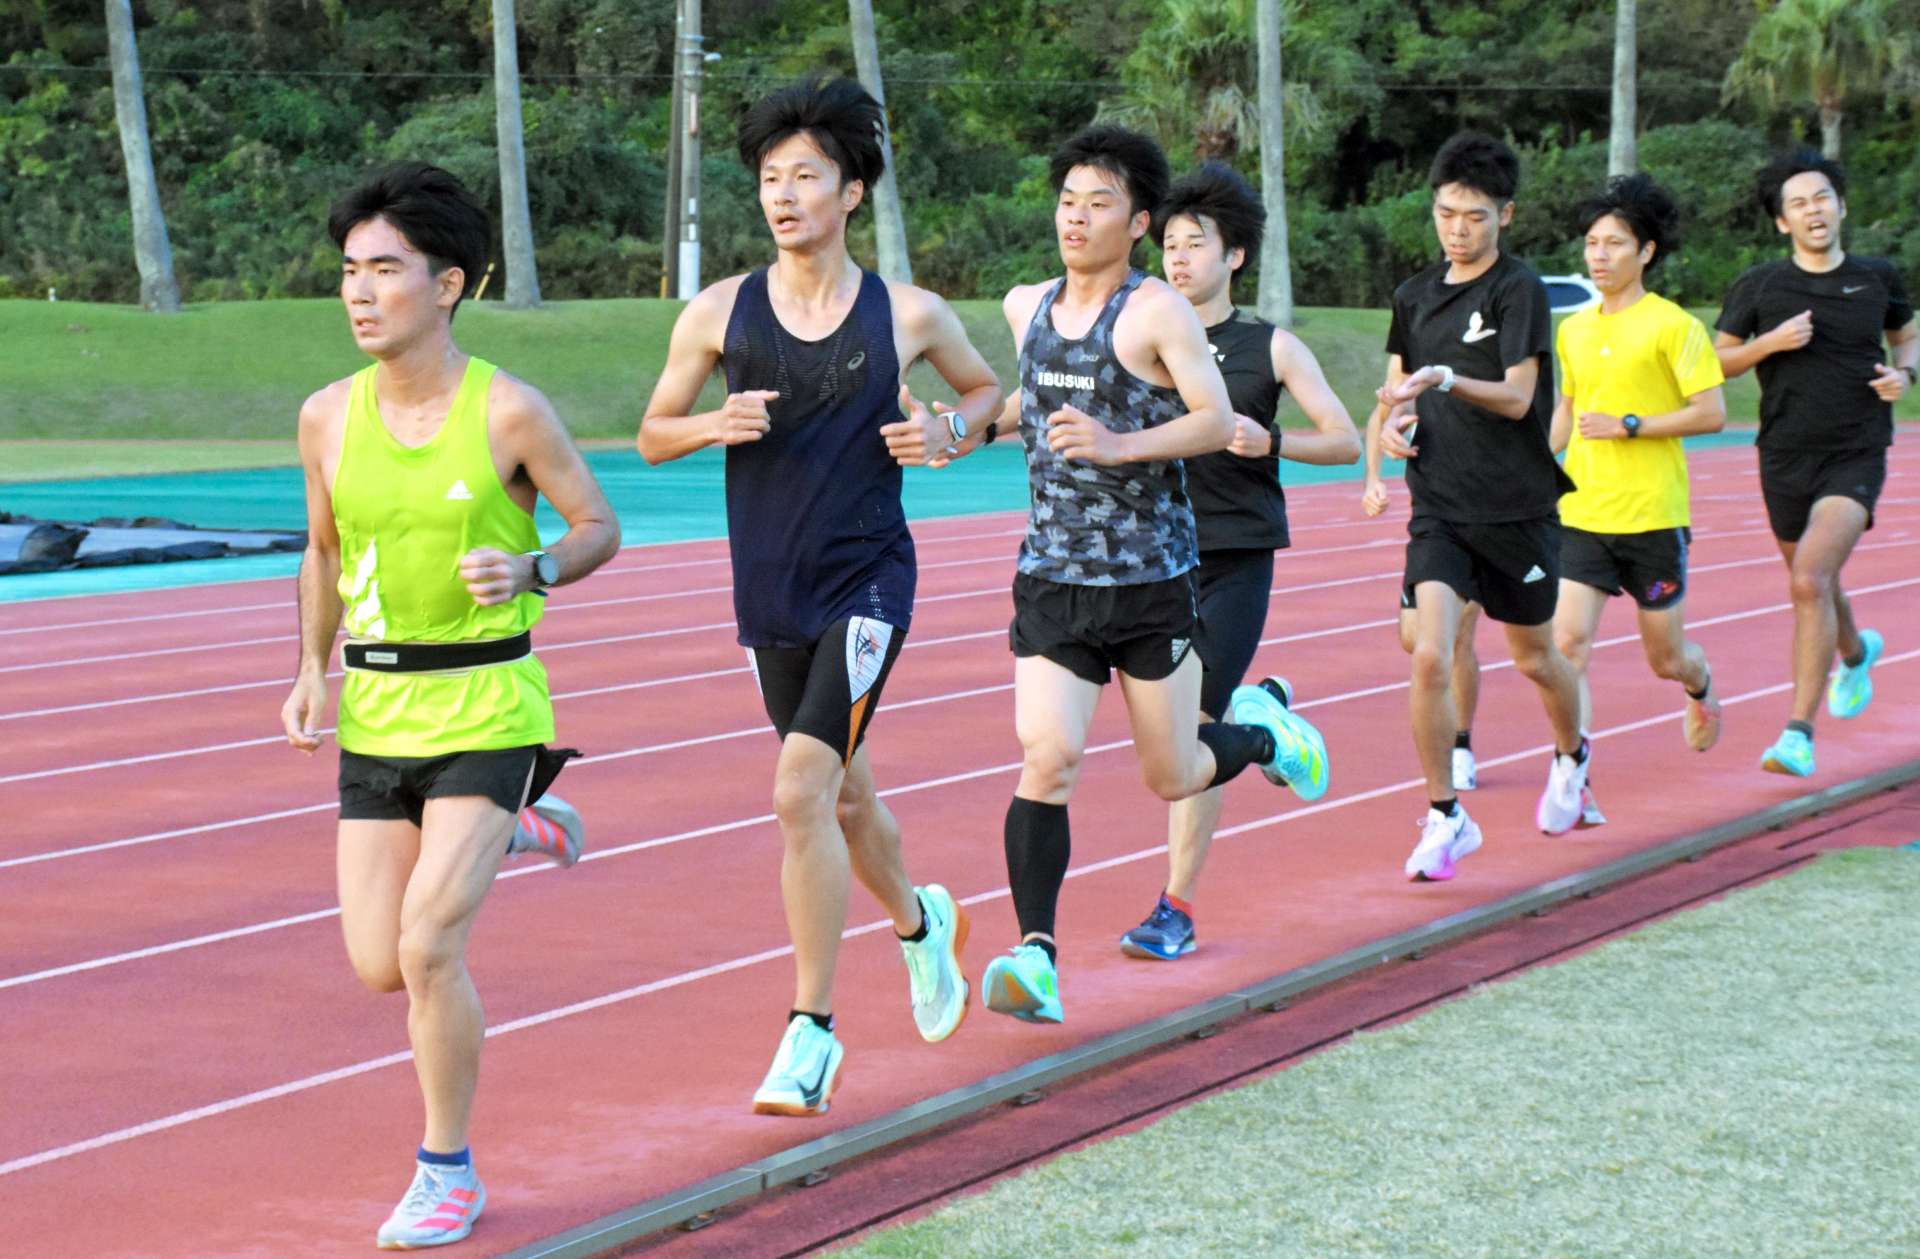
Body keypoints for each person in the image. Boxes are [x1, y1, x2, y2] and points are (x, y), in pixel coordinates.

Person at [638, 77, 1002, 1115]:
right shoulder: (719, 314)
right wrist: (714, 423)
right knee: (846, 794)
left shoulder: (909, 312)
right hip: (771, 591)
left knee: (801, 790)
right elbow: (652, 432)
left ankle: (813, 1031)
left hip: (868, 579)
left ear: (850, 191)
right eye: (769, 178)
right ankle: (924, 921)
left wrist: (946, 433)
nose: (784, 195)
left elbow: (981, 393)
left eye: (806, 176)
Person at [279, 161, 621, 1249]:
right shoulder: (326, 417)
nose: (361, 292)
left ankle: (446, 1167)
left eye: (386, 270)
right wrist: (309, 668)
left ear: (451, 285)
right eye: (349, 271)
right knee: (379, 963)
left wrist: (535, 573)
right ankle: (515, 830)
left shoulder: (509, 408)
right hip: (378, 716)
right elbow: (324, 549)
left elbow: (597, 525)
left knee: (430, 949)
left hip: (487, 705)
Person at [939, 126, 1328, 1019]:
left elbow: (1213, 416)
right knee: (1049, 754)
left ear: (1140, 221)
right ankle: (1037, 955)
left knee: (1174, 772)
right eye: (1068, 199)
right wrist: (961, 434)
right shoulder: (1024, 303)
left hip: (1152, 583)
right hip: (1051, 579)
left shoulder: (1158, 312)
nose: (1076, 217)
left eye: (1099, 202)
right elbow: (1025, 398)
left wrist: (1118, 445)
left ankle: (1266, 735)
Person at [1118, 161, 1358, 961]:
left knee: (1192, 728)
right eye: (1171, 246)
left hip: (1235, 557)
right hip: (1155, 560)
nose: (1178, 260)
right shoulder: (1143, 336)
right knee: (1165, 740)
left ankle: (1174, 908)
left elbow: (1346, 438)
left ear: (1235, 257)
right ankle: (1264, 720)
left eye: (1196, 245)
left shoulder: (1272, 347)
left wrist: (1275, 440)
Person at [1374, 131, 1588, 881]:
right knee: (1430, 653)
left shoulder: (1518, 290)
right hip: (1439, 506)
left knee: (1536, 657)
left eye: (1473, 216)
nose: (1456, 229)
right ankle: (1444, 815)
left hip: (1518, 508)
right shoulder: (1412, 295)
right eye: (1445, 214)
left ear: (1506, 215)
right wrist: (1391, 435)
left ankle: (1573, 752)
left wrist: (1446, 380)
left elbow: (1519, 396)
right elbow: (1395, 392)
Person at [1712, 149, 1917, 777]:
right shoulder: (1760, 286)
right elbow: (1715, 362)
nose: (1813, 210)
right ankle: (1855, 652)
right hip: (1783, 454)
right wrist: (1770, 343)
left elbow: (1906, 334)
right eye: (1798, 203)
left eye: (1822, 197)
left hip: (1855, 451)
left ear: (1841, 205)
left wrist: (1902, 373)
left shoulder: (1877, 276)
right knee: (1814, 582)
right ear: (1782, 222)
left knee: (1807, 581)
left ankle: (1797, 733)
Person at [1550, 173, 1728, 814]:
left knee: (1665, 657)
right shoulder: (1571, 330)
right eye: (1592, 243)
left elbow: (1711, 413)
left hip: (1654, 516)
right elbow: (1566, 414)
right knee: (1567, 643)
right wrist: (1536, 468)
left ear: (1645, 252)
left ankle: (1700, 683)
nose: (1599, 255)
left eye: (1615, 243)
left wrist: (1632, 426)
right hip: (1583, 511)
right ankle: (1574, 773)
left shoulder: (1673, 327)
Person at [1365, 441, 1485, 793]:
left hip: (1484, 520)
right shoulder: (1411, 384)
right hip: (1433, 523)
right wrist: (1373, 478)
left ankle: (1460, 745)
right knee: (1416, 640)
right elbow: (1383, 414)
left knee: (1458, 636)